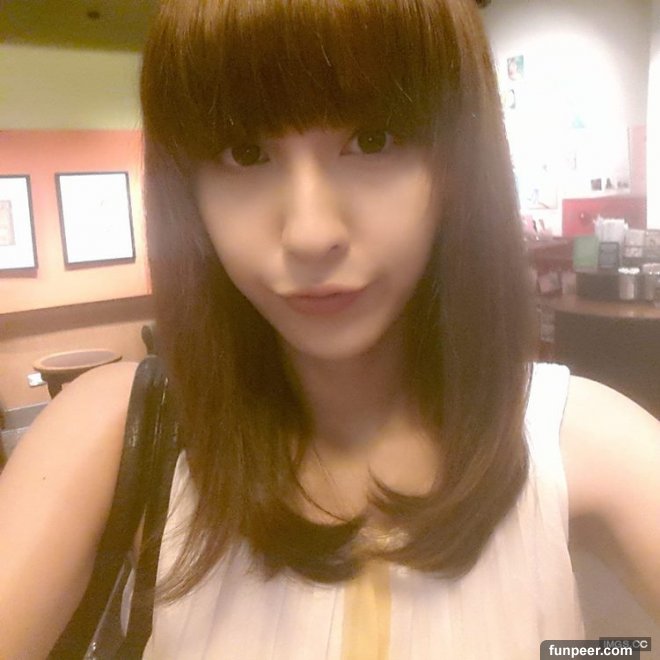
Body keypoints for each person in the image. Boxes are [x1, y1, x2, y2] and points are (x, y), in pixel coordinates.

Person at [1, 0, 659, 657]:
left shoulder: (578, 442)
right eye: (245, 152)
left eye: (373, 140)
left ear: (458, 164)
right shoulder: (112, 435)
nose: (311, 233)